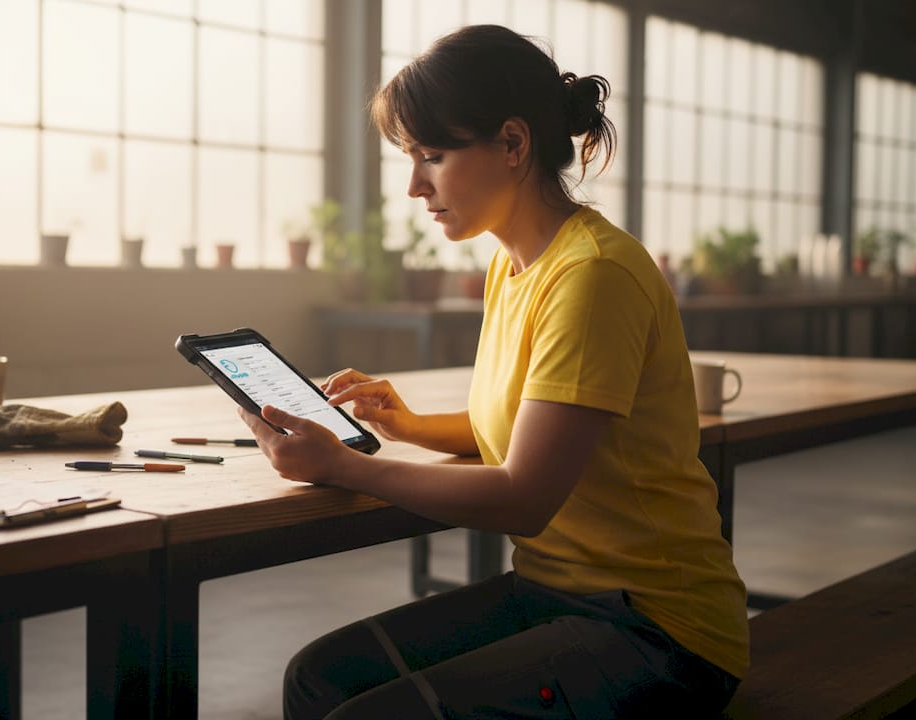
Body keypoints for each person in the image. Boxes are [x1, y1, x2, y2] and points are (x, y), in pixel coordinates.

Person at [238, 24, 748, 719]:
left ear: (513, 144)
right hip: (553, 593)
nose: (416, 186)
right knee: (318, 679)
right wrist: (409, 426)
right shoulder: (513, 265)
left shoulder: (591, 275)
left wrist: (342, 466)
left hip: (658, 633)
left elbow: (523, 496)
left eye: (433, 157)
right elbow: (517, 433)